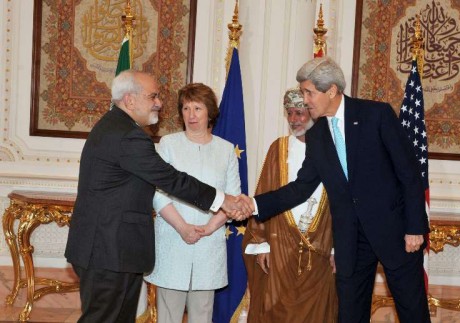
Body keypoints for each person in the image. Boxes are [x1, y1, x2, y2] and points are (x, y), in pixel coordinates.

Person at [64, 71, 252, 323]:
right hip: (106, 250)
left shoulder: (118, 127)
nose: (159, 103)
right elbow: (170, 180)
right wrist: (223, 200)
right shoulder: (127, 135)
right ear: (130, 100)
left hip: (115, 249)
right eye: (152, 96)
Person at [253, 57, 431, 322]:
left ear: (332, 91)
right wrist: (253, 205)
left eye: (309, 92)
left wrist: (415, 227)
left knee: (412, 313)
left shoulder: (376, 115)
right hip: (351, 241)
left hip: (395, 232)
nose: (304, 100)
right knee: (349, 315)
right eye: (303, 92)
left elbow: (409, 173)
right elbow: (301, 188)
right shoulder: (317, 136)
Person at [144, 83, 239, 323]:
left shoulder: (226, 150)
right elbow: (158, 193)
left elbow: (232, 198)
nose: (191, 115)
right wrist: (183, 228)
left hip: (209, 243)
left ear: (210, 112)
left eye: (198, 108)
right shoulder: (168, 144)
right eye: (186, 108)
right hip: (173, 240)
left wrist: (208, 229)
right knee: (168, 316)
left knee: (202, 315)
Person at [242, 88, 338, 323]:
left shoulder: (334, 148)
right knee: (274, 310)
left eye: (300, 113)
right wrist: (261, 242)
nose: (294, 120)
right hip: (280, 244)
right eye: (289, 114)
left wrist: (339, 247)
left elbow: (343, 202)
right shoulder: (279, 147)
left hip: (322, 247)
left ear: (313, 113)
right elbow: (264, 193)